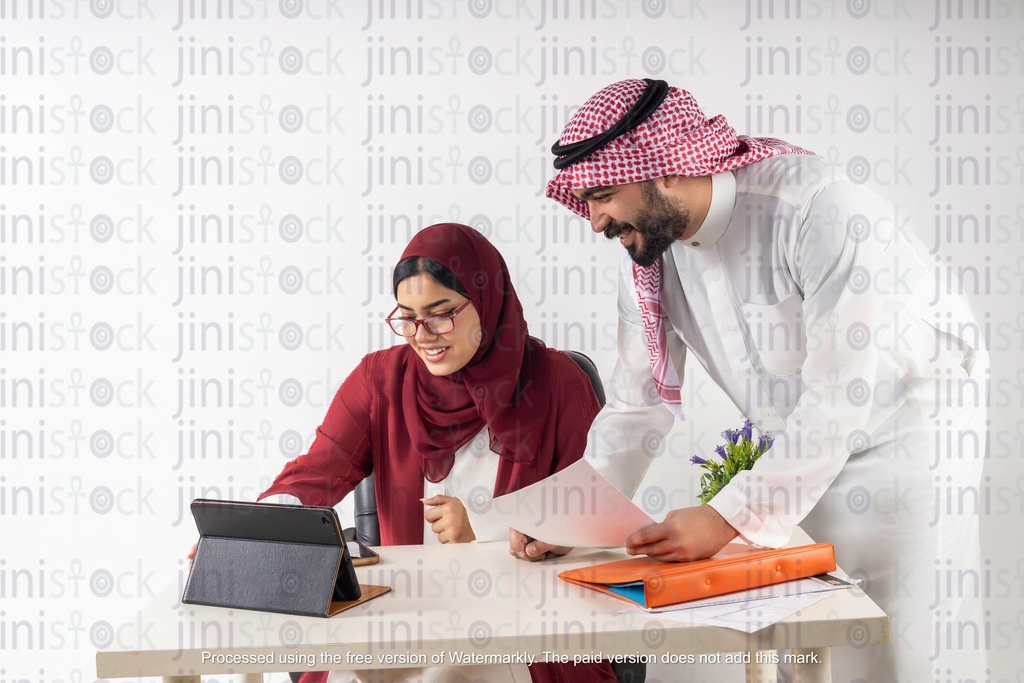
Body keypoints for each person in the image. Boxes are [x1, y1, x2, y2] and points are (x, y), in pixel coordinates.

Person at [530, 78, 987, 683]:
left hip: (909, 432)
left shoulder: (818, 209)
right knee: (804, 636)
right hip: (794, 449)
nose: (593, 221)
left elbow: (841, 393)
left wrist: (727, 517)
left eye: (604, 194)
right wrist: (569, 515)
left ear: (665, 169)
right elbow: (637, 404)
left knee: (898, 641)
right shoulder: (650, 256)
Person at [258, 223, 616, 683]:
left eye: (440, 314)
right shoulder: (380, 381)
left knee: (448, 674)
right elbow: (318, 469)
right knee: (351, 670)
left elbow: (595, 528)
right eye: (406, 316)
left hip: (520, 626)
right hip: (405, 615)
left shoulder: (558, 383)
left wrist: (480, 536)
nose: (422, 334)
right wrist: (255, 532)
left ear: (487, 301)